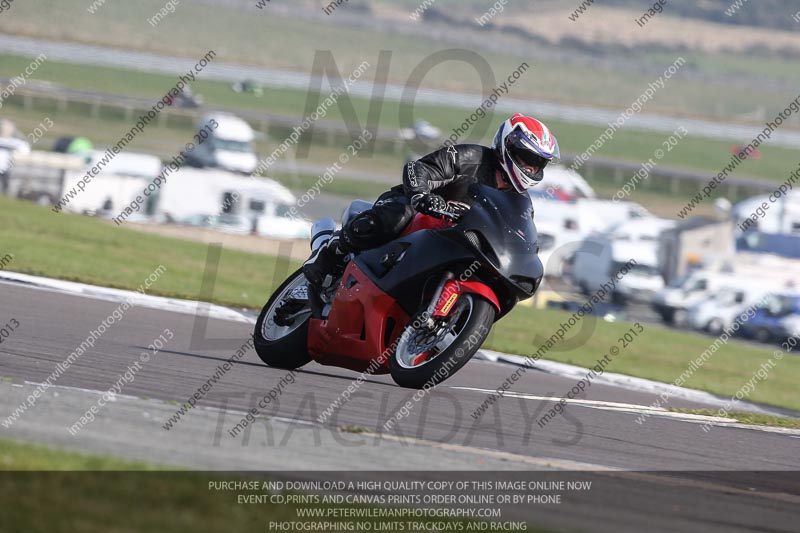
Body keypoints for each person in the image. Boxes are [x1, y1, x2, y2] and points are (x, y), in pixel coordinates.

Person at [302, 113, 560, 289]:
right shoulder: (471, 156)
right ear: (508, 146)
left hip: (454, 239)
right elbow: (419, 169)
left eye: (538, 162)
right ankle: (333, 250)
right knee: (399, 214)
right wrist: (421, 196)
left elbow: (519, 233)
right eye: (527, 157)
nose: (530, 166)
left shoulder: (520, 201)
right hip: (419, 212)